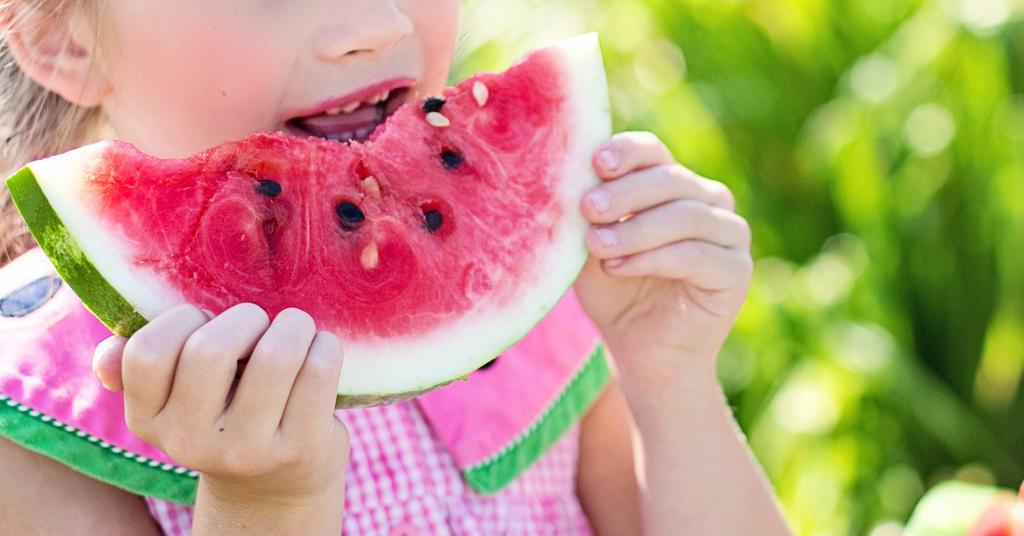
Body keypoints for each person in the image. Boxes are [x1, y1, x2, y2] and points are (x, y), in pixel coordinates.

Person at [0, 1, 791, 534]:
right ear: (59, 37)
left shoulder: (537, 311)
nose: (374, 26)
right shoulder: (32, 423)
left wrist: (670, 380)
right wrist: (263, 504)